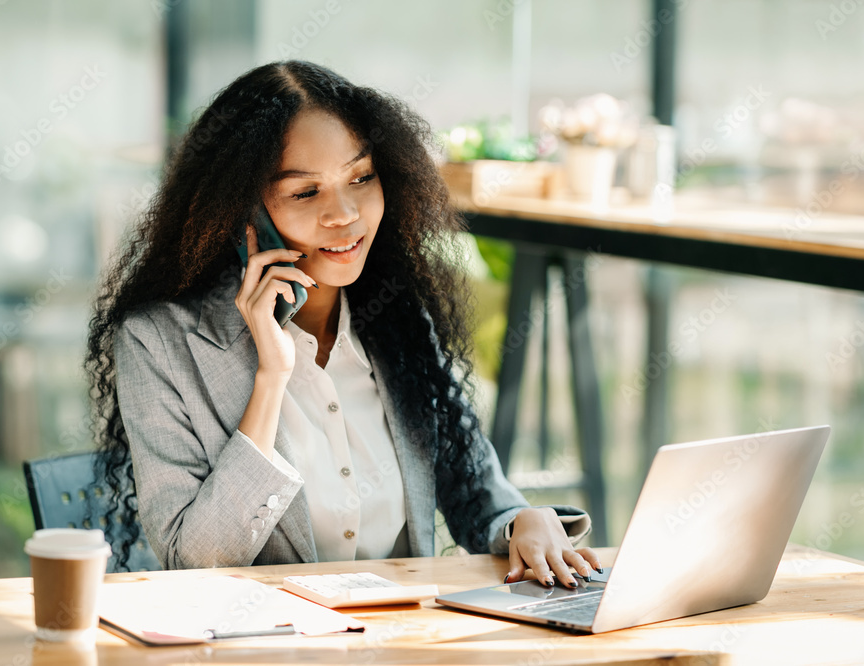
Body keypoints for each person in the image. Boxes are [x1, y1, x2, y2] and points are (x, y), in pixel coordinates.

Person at [86, 60, 602, 587]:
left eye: (361, 178)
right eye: (305, 193)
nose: (345, 214)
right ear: (241, 215)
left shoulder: (394, 319)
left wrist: (522, 521)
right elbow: (192, 561)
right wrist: (270, 380)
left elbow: (476, 494)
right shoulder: (160, 342)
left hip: (406, 639)